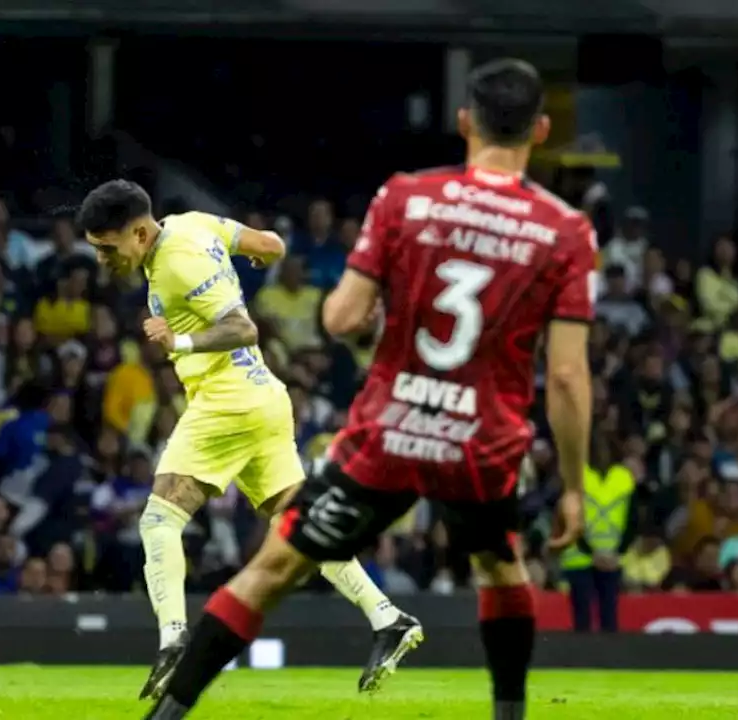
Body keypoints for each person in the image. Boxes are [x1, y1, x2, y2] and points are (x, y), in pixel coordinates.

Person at [143, 58, 595, 720]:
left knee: (269, 571)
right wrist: (576, 486)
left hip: (392, 431)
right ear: (543, 129)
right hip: (481, 441)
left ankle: (167, 715)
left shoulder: (405, 198)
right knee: (500, 569)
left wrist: (376, 335)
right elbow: (564, 374)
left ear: (464, 122)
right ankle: (508, 713)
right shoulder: (565, 231)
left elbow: (343, 318)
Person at [77, 180, 420, 701]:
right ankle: (388, 617)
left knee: (160, 518)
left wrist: (181, 339)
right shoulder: (195, 222)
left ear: (141, 233)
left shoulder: (175, 262)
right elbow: (271, 246)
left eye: (108, 247)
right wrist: (254, 262)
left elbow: (243, 327)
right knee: (301, 530)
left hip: (227, 399)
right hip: (264, 399)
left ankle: (173, 638)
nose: (102, 258)